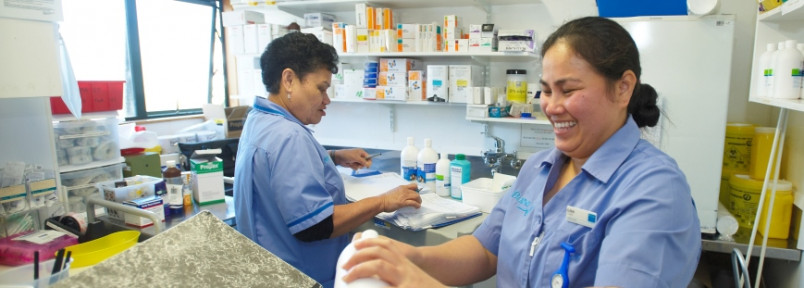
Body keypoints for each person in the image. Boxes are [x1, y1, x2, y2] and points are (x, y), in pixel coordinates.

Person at [339, 16, 701, 288]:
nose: (552, 106)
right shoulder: (541, 168)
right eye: (545, 90)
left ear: (623, 88)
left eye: (568, 89)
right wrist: (411, 258)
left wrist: (418, 282)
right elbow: (485, 251)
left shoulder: (654, 191)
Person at [233, 32, 422, 288]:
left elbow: (274, 170)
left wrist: (331, 157)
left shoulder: (259, 120)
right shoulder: (289, 136)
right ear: (289, 79)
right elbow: (316, 226)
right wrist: (384, 200)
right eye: (321, 88)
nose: (327, 100)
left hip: (265, 271)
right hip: (300, 276)